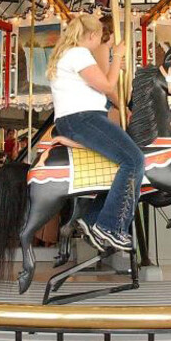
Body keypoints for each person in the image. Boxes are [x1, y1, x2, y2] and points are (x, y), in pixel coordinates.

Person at [47, 13, 141, 252]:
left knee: (117, 170)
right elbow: (108, 86)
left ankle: (91, 220)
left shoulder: (67, 54)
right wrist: (117, 56)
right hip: (84, 118)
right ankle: (111, 227)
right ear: (91, 35)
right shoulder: (78, 53)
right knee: (134, 160)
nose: (100, 41)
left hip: (78, 118)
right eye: (99, 37)